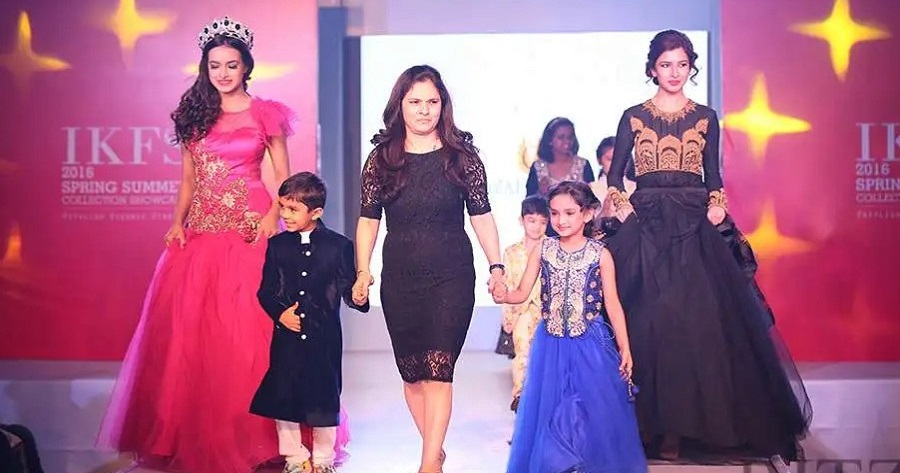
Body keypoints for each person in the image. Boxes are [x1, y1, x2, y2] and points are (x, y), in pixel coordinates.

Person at [96, 17, 338, 473]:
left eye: (231, 65)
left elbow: (284, 177)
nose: (223, 73)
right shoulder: (194, 113)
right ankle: (200, 435)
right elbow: (188, 179)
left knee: (254, 332)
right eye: (215, 66)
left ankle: (271, 439)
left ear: (246, 66)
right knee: (195, 338)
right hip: (203, 232)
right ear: (205, 68)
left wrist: (272, 218)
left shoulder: (266, 113)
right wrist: (177, 223)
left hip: (250, 228)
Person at [603, 29, 811, 466]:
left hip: (693, 223)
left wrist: (717, 204)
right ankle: (647, 426)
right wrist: (624, 208)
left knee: (695, 324)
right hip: (646, 224)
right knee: (648, 321)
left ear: (691, 68)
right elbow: (615, 175)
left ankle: (685, 429)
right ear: (652, 69)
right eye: (666, 65)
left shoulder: (705, 116)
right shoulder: (633, 116)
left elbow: (713, 175)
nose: (674, 72)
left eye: (682, 64)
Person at [352, 64, 503, 473]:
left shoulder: (462, 157)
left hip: (451, 275)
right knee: (413, 374)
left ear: (443, 105)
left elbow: (482, 215)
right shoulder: (382, 159)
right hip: (400, 277)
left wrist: (496, 265)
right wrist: (363, 271)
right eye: (415, 102)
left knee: (439, 370)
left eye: (432, 102)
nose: (424, 110)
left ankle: (427, 465)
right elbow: (368, 220)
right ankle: (434, 449)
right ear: (400, 106)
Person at [493, 181, 647, 473]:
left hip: (590, 343)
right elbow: (522, 292)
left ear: (587, 214)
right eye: (554, 213)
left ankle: (583, 464)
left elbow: (612, 304)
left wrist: (625, 346)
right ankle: (562, 464)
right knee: (553, 408)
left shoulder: (600, 254)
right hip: (550, 344)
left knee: (589, 408)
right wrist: (503, 294)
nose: (560, 220)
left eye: (569, 213)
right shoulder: (544, 249)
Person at [251, 172, 368, 473]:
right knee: (284, 394)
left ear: (316, 212)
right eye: (282, 207)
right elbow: (265, 291)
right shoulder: (277, 246)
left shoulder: (338, 246)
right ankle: (294, 456)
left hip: (324, 339)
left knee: (324, 396)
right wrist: (281, 314)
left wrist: (358, 294)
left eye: (293, 209)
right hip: (286, 339)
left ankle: (323, 459)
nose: (285, 215)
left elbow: (347, 288)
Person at [500, 195, 549, 412]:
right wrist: (507, 316)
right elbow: (508, 284)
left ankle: (542, 398)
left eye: (542, 222)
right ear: (522, 220)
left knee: (545, 357)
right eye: (531, 220)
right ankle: (520, 396)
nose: (536, 226)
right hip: (521, 311)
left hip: (547, 311)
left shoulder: (552, 249)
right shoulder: (511, 252)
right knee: (522, 354)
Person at [524, 117, 595, 198]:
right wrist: (540, 192)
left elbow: (592, 198)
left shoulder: (582, 165)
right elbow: (529, 201)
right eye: (561, 137)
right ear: (549, 140)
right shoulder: (538, 167)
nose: (567, 141)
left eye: (570, 137)